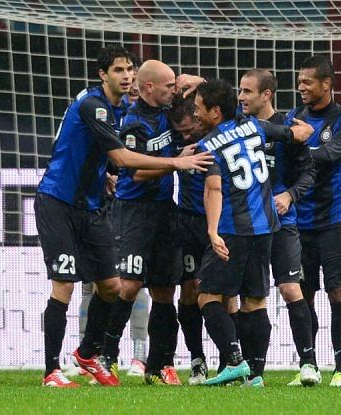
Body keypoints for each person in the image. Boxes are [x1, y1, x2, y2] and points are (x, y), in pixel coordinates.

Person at [36, 46, 213, 388]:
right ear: (103, 75)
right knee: (66, 284)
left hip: (94, 205)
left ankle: (90, 354)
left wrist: (101, 172)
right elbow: (123, 157)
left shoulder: (118, 109)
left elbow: (98, 152)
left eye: (130, 69)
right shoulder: (95, 106)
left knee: (111, 285)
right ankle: (51, 371)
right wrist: (175, 161)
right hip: (59, 201)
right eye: (119, 70)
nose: (127, 75)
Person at [194, 79, 313, 387]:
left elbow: (215, 188)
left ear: (216, 112)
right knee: (254, 300)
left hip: (235, 229)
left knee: (207, 296)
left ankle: (234, 360)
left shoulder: (210, 145)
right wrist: (303, 132)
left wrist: (212, 231)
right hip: (267, 226)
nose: (195, 114)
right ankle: (256, 376)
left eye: (198, 109)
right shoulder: (254, 127)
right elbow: (295, 134)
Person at [96, 59, 189, 386]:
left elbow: (202, 89)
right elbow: (136, 172)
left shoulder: (168, 111)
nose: (173, 92)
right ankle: (105, 358)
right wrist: (177, 163)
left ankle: (160, 363)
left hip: (165, 209)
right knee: (130, 285)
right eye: (167, 87)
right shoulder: (133, 122)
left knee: (165, 289)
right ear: (149, 88)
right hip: (134, 211)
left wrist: (187, 81)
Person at [238, 69, 320, 386]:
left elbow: (308, 173)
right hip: (248, 225)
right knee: (250, 298)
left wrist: (290, 194)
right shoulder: (239, 127)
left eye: (247, 91)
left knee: (289, 288)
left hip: (282, 222)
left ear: (266, 94)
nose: (241, 97)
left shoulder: (291, 129)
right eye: (240, 91)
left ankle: (308, 364)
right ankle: (253, 371)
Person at [288, 55, 341, 388]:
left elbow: (330, 155)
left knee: (338, 292)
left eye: (307, 81)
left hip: (335, 220)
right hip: (299, 221)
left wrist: (299, 143)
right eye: (299, 81)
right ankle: (308, 365)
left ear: (326, 84)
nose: (301, 86)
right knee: (301, 295)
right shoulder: (293, 117)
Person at [167, 92, 209, 385]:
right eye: (179, 132)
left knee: (225, 295)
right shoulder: (174, 145)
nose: (184, 135)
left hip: (219, 223)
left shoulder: (220, 134)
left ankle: (233, 359)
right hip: (187, 222)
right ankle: (197, 359)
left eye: (188, 129)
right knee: (190, 290)